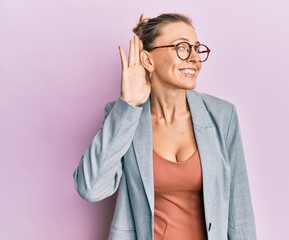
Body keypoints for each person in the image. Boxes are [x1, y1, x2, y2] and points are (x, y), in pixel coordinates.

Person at [73, 13, 257, 240]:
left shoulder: (222, 115)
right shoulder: (123, 116)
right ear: (148, 60)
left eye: (197, 48)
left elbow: (240, 214)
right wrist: (128, 104)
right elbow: (90, 188)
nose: (194, 58)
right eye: (182, 47)